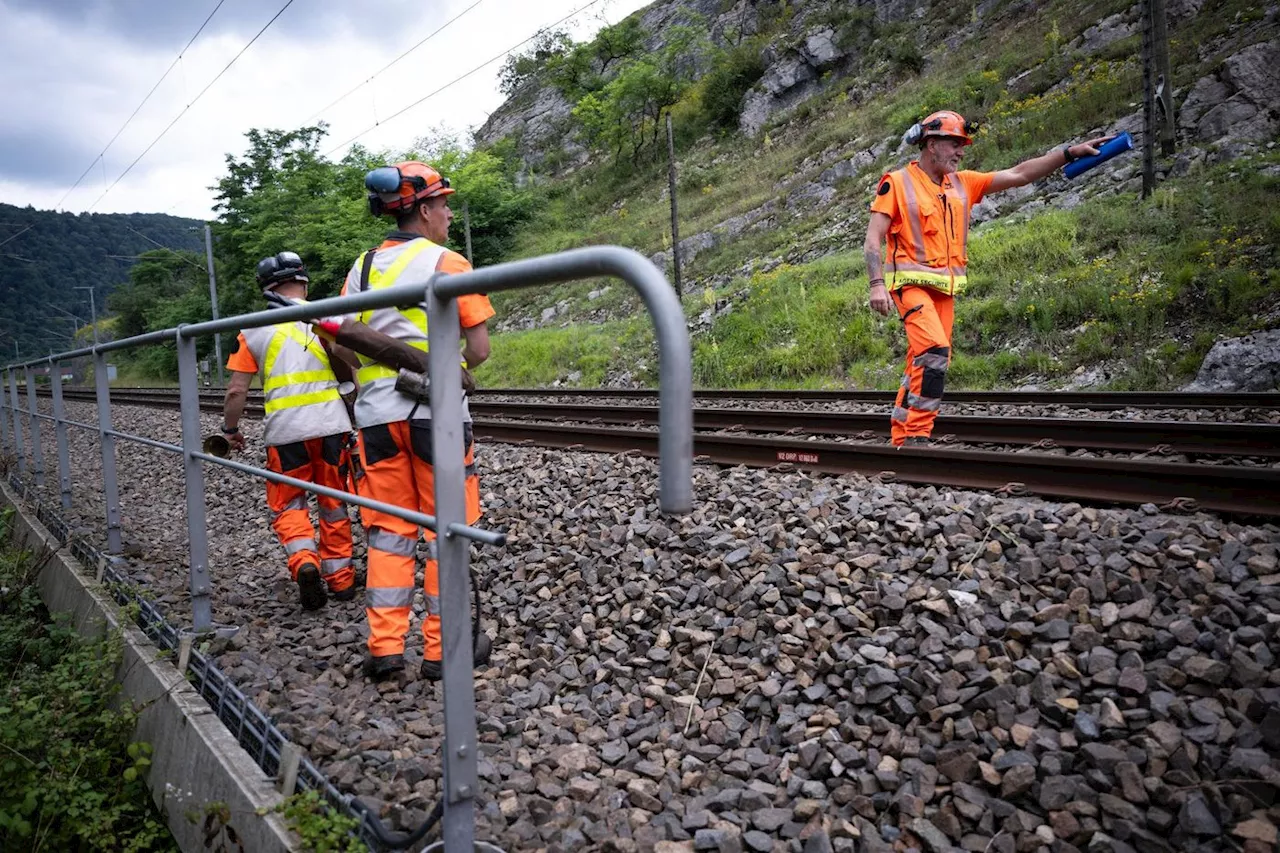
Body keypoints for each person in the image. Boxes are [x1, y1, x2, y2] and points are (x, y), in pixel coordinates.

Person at [864, 110, 1112, 446]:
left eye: (962, 145)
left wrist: (1068, 153)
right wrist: (877, 285)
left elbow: (1019, 174)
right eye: (955, 143)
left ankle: (899, 436)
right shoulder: (897, 182)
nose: (961, 151)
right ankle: (917, 437)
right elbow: (872, 239)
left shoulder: (963, 183)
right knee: (934, 351)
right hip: (909, 287)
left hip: (944, 291)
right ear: (932, 144)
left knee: (924, 361)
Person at [335, 161, 494, 682]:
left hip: (378, 418)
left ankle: (383, 648)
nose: (449, 212)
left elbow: (340, 341)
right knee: (444, 530)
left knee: (389, 533)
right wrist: (451, 367)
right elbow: (480, 349)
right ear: (423, 210)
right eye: (444, 203)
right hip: (438, 416)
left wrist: (379, 377)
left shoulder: (360, 269)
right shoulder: (448, 262)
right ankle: (440, 650)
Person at [222, 251, 357, 610]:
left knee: (289, 504)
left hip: (285, 433)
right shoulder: (325, 317)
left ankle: (306, 563)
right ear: (304, 281)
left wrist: (230, 429)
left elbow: (237, 390)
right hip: (331, 427)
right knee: (333, 501)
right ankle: (341, 580)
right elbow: (351, 364)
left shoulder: (251, 330)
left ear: (265, 287)